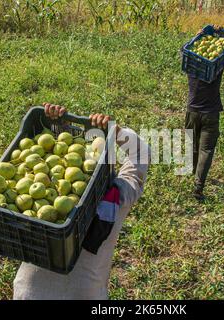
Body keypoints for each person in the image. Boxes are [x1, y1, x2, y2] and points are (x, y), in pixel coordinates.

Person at [13, 103, 149, 300]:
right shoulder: (117, 197)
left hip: (31, 292)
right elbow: (141, 153)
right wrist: (116, 132)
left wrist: (58, 125)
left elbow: (59, 151)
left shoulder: (42, 205)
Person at [184, 26, 224, 201]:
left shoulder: (190, 66)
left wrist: (197, 35)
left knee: (192, 144)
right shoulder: (216, 66)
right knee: (206, 149)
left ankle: (191, 172)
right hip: (211, 112)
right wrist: (220, 34)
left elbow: (184, 50)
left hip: (192, 110)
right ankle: (198, 187)